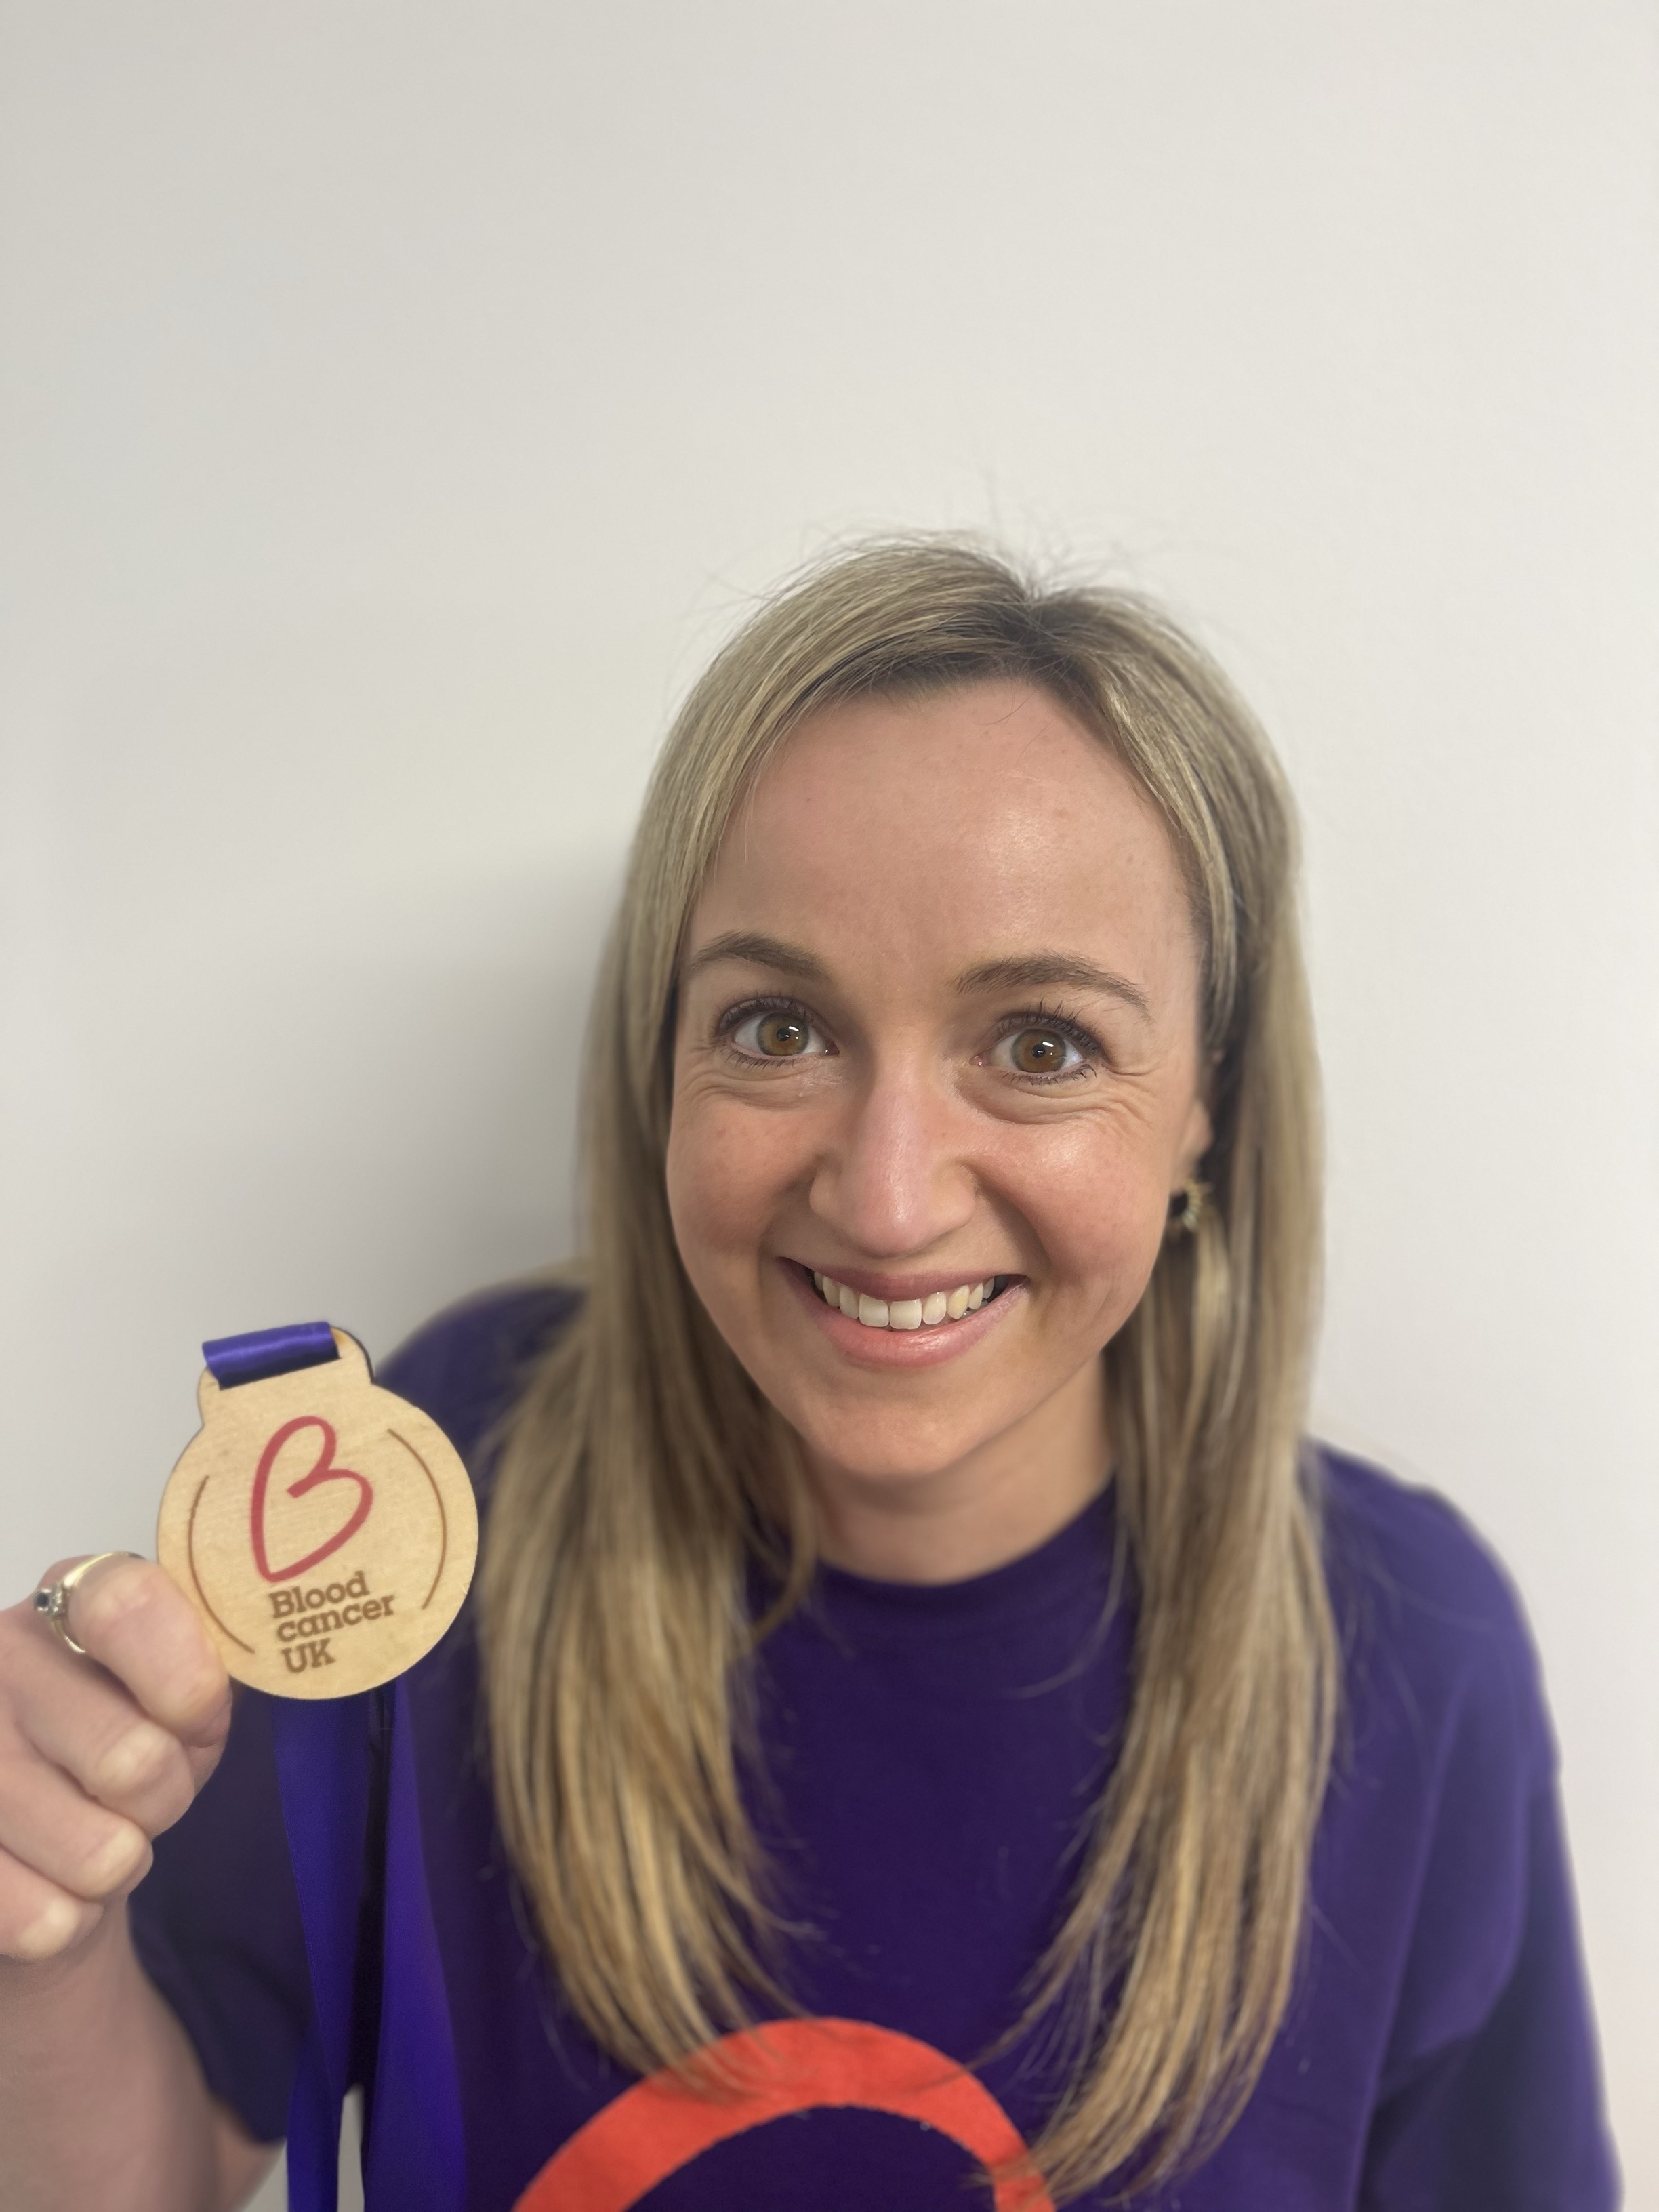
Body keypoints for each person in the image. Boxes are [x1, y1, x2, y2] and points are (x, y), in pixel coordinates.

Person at [0, 541, 1618, 2211]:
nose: (891, 1196)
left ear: (1207, 1108)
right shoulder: (440, 1489)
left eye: (1042, 1043)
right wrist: (37, 1947)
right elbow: (154, 2171)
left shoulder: (1409, 1651)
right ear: (663, 1061)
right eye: (780, 1029)